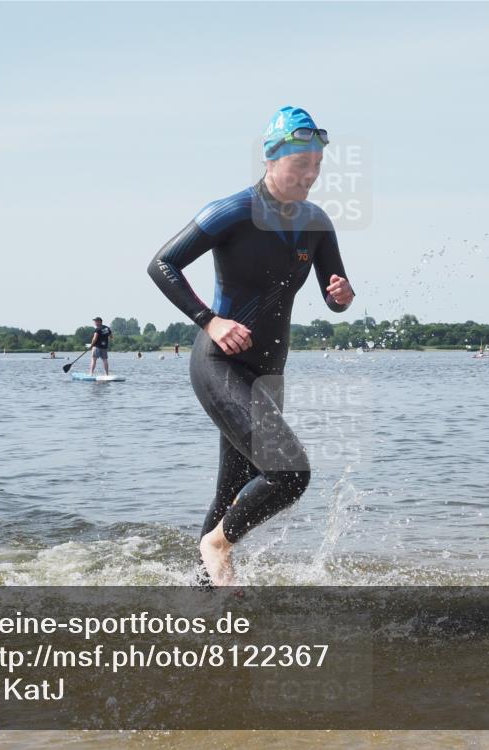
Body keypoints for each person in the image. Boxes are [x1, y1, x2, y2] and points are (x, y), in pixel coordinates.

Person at [148, 105, 354, 585]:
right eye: (300, 164)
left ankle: (204, 595)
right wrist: (210, 320)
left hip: (269, 373)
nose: (310, 174)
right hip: (221, 362)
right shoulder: (232, 211)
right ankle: (215, 546)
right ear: (271, 158)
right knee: (289, 473)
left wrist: (340, 296)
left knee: (232, 492)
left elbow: (335, 295)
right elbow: (162, 265)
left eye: (317, 166)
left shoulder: (317, 222)